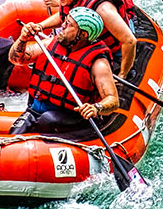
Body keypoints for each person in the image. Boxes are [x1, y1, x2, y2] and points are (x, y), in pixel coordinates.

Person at [7, 7, 135, 136]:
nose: (62, 25)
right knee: (15, 132)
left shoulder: (98, 63)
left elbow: (113, 100)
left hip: (72, 116)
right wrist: (23, 38)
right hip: (36, 110)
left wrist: (96, 108)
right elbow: (16, 59)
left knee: (47, 120)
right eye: (65, 21)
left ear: (83, 34)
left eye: (69, 24)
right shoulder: (50, 43)